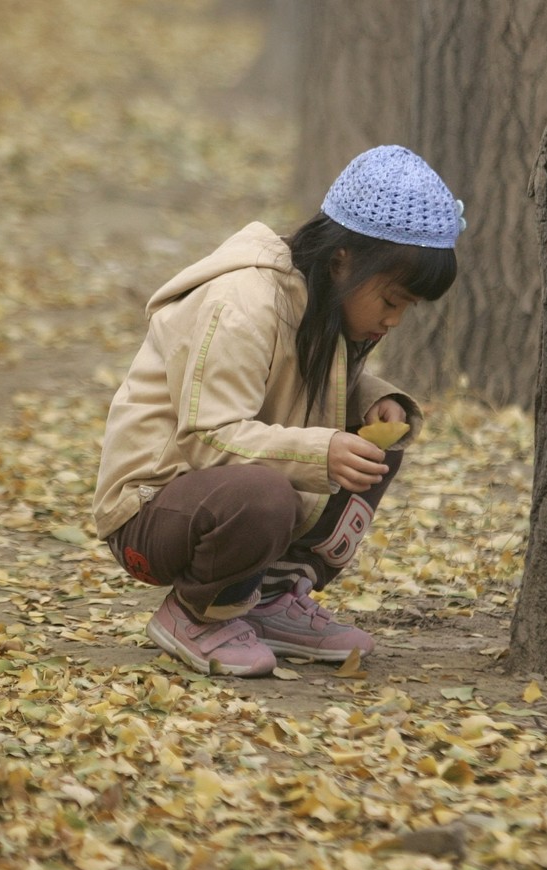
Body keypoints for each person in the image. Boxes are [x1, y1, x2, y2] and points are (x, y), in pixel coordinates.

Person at [91, 145, 464, 677]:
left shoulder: (321, 299)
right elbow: (207, 437)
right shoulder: (242, 302)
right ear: (343, 260)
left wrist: (370, 404)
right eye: (390, 300)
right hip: (151, 512)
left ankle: (270, 598)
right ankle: (197, 612)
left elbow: (300, 380)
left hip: (218, 494)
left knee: (376, 439)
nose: (396, 320)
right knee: (263, 493)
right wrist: (321, 449)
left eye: (407, 307)